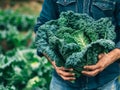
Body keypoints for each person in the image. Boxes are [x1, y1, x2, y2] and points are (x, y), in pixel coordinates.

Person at [34, 0, 120, 90]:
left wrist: (109, 58)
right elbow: (41, 28)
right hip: (63, 82)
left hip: (105, 81)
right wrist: (55, 61)